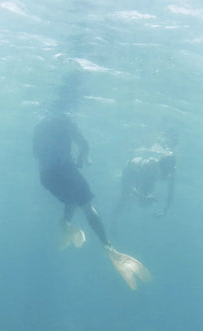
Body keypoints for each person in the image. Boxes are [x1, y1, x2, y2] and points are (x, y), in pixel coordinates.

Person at [32, 112, 151, 290]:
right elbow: (84, 145)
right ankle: (108, 247)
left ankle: (65, 224)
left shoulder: (40, 127)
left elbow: (35, 153)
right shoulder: (66, 120)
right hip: (65, 170)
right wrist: (84, 157)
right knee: (87, 207)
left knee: (70, 199)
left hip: (46, 177)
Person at [115, 140, 176, 218]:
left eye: (169, 170)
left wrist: (165, 211)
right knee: (125, 196)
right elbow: (129, 185)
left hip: (147, 176)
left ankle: (130, 202)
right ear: (161, 165)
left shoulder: (171, 173)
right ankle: (115, 217)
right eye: (165, 170)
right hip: (130, 171)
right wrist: (141, 196)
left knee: (144, 202)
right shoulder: (152, 166)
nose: (167, 173)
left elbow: (170, 194)